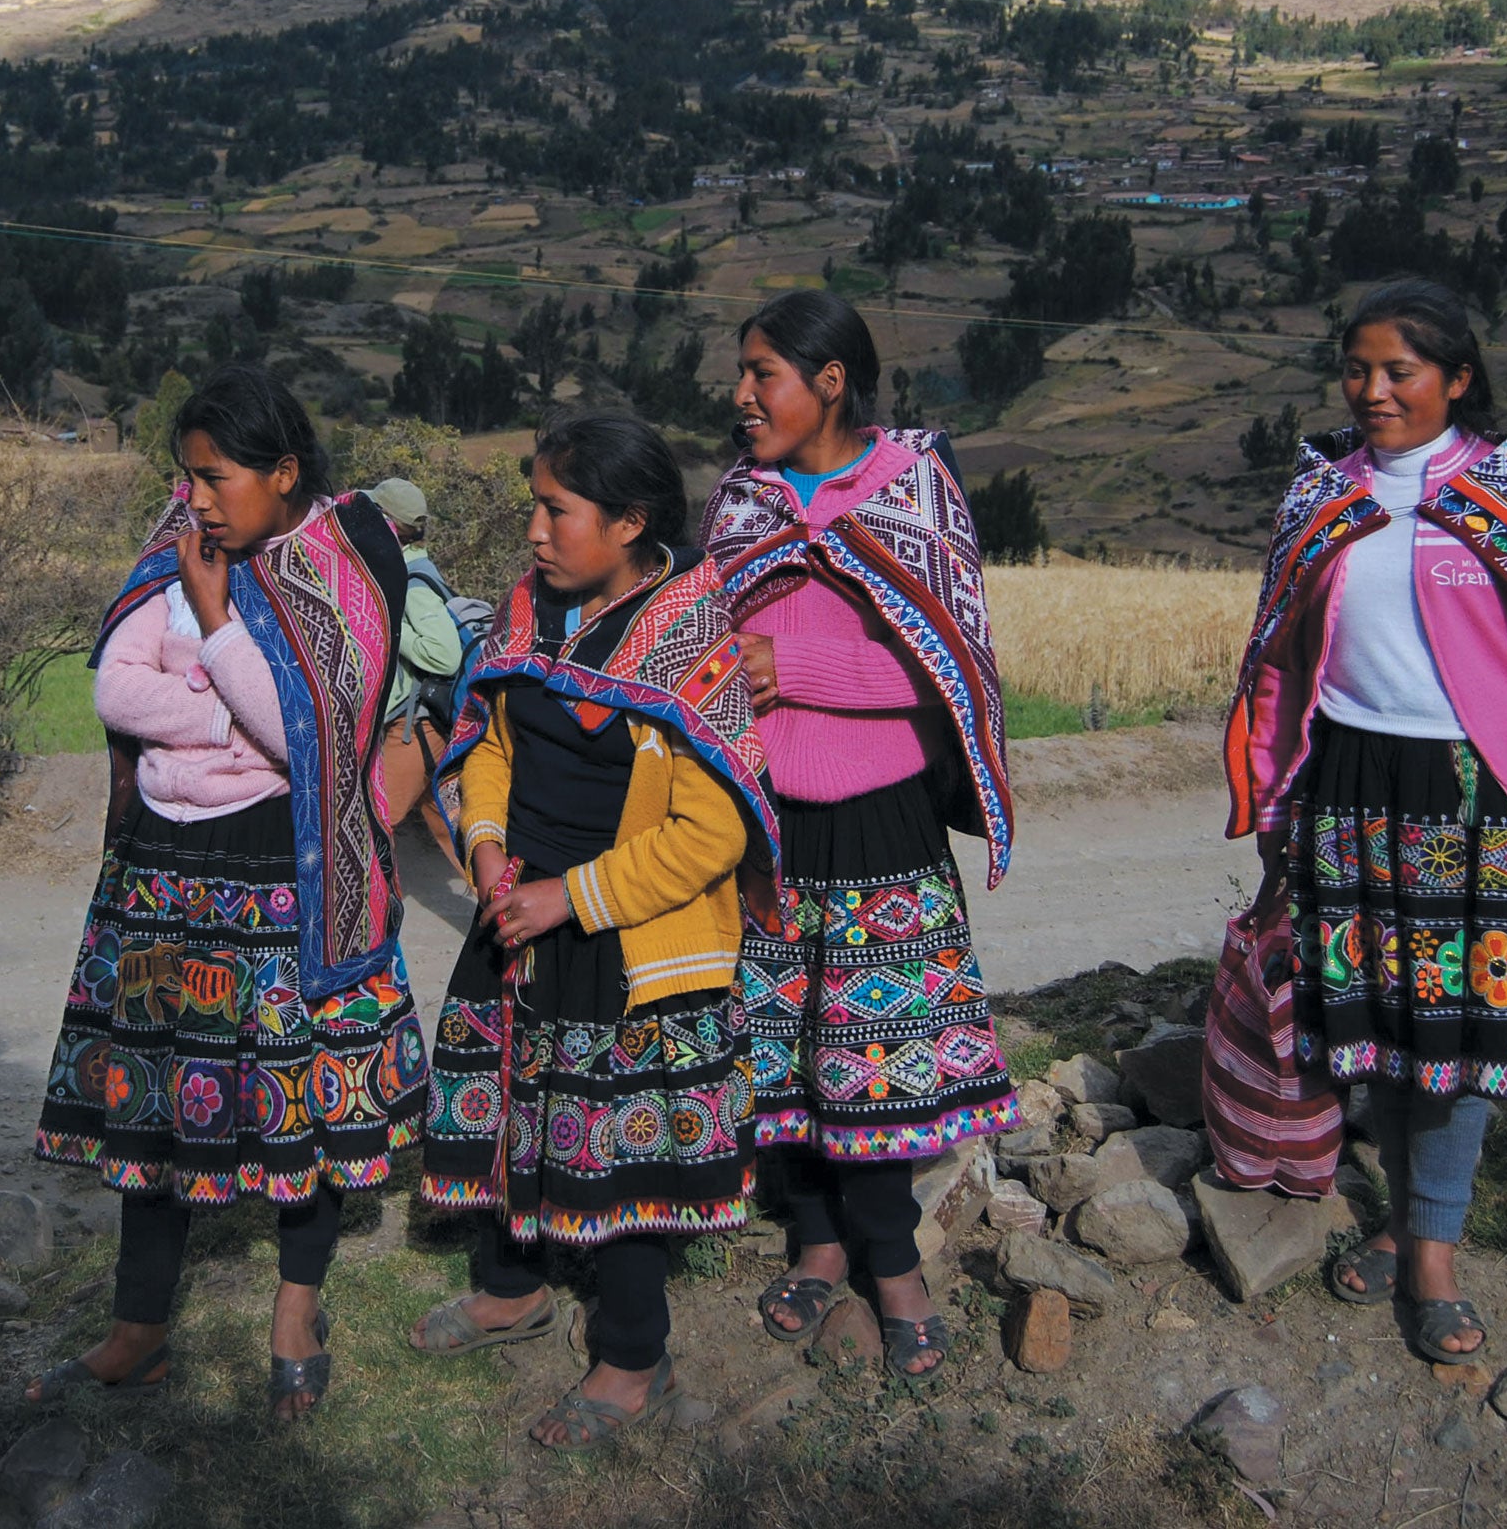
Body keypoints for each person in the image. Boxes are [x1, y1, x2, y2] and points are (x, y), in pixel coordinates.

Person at [1229, 280, 1507, 1364]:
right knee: (1375, 1017)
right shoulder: (1324, 492)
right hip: (1346, 784)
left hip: (1467, 793)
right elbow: (1282, 655)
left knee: (1460, 1032)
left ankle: (1432, 1243)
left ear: (1459, 378)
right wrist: (1270, 787)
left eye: (1400, 371)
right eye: (1357, 370)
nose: (1373, 391)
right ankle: (1400, 1208)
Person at [33, 362, 425, 1422]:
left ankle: (297, 1308)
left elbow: (319, 732)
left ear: (284, 470)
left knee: (297, 1094)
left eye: (213, 477)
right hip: (167, 867)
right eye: (185, 476)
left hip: (288, 869)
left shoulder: (349, 560)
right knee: (151, 1090)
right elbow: (116, 682)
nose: (193, 500)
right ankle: (139, 1324)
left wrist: (210, 626)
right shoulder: (178, 554)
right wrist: (230, 707)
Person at [412, 408, 772, 1447]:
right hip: (515, 910)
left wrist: (569, 899)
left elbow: (711, 831)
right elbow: (487, 742)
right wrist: (485, 850)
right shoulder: (527, 612)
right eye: (534, 502)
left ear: (627, 521)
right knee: (509, 1113)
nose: (532, 527)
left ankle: (631, 1355)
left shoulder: (695, 637)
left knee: (622, 1152)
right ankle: (511, 1288)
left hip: (627, 934)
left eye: (554, 508)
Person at [702, 290, 1021, 1380]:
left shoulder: (913, 492)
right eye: (742, 375)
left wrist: (792, 671)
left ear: (830, 380)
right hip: (766, 819)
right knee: (782, 1041)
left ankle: (894, 1265)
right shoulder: (740, 500)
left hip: (881, 816)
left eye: (763, 375)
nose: (742, 397)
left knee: (873, 1055)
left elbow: (946, 672)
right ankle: (818, 1237)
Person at [368, 475, 472, 861]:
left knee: (373, 823)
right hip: (426, 722)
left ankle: (362, 915)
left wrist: (393, 631)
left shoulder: (414, 583)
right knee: (446, 825)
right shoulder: (410, 571)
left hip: (416, 726)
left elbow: (444, 655)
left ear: (388, 524)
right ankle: (504, 909)